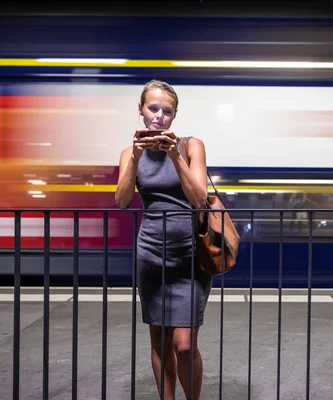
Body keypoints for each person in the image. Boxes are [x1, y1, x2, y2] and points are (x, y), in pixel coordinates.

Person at [115, 79, 212, 400]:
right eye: (153, 108)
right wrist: (135, 158)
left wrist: (174, 157)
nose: (159, 116)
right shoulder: (130, 152)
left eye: (166, 111)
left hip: (188, 255)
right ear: (141, 110)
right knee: (158, 340)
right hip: (151, 253)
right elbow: (122, 201)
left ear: (175, 115)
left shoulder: (191, 146)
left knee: (183, 344)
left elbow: (199, 199)